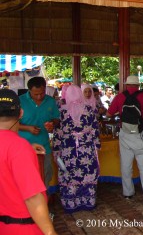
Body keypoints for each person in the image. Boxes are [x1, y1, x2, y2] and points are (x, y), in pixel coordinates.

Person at [0, 89, 57, 235]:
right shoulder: (18, 147)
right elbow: (33, 198)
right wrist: (50, 232)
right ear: (21, 113)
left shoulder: (18, 148)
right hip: (21, 227)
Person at [106, 75, 143, 202]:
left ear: (126, 85)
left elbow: (108, 114)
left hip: (124, 134)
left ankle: (128, 193)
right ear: (138, 85)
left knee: (126, 165)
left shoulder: (120, 97)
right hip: (139, 135)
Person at [52, 84, 100, 213]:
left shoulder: (61, 112)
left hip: (68, 149)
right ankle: (87, 201)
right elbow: (95, 130)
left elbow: (58, 133)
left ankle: (71, 203)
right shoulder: (89, 110)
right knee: (87, 173)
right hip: (86, 148)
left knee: (68, 174)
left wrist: (56, 150)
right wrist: (97, 145)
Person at [18, 76, 60, 188]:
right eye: (35, 94)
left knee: (45, 173)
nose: (39, 96)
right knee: (25, 176)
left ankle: (44, 198)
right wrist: (28, 128)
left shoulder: (50, 101)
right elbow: (11, 123)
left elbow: (56, 118)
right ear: (29, 90)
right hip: (24, 145)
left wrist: (52, 124)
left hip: (44, 145)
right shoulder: (20, 101)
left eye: (42, 93)